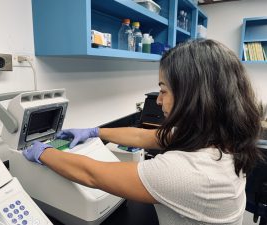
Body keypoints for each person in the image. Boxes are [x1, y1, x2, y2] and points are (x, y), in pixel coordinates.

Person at [23, 39, 263, 225]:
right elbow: (142, 136)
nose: (158, 100)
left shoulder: (190, 171)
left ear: (193, 96)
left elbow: (91, 174)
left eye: (164, 90)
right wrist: (94, 131)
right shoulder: (219, 138)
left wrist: (43, 152)